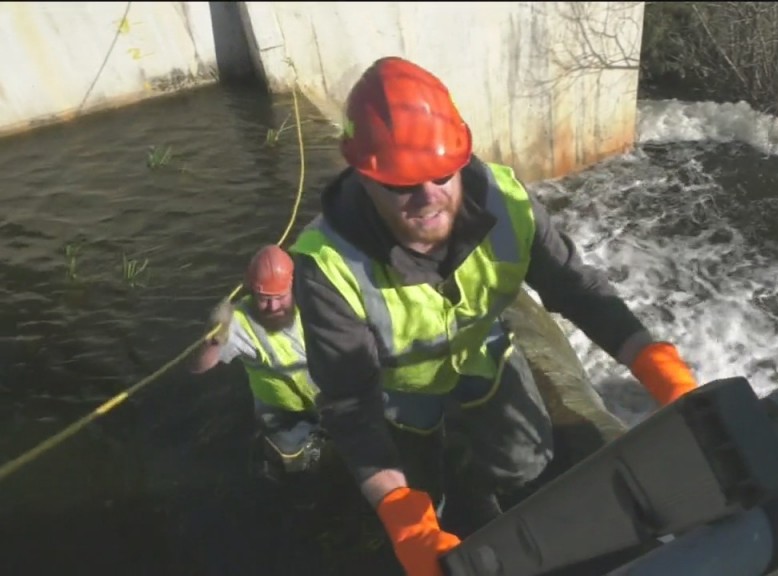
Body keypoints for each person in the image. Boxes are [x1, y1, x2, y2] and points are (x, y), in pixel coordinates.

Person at [288, 56, 700, 576]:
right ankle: (439, 497)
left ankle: (486, 475)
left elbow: (575, 287)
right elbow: (350, 404)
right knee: (422, 500)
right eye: (401, 184)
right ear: (364, 177)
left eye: (442, 174)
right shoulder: (326, 266)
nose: (429, 197)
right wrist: (401, 514)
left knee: (524, 461)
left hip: (481, 354)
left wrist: (654, 362)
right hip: (399, 391)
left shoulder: (507, 202)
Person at [191, 244, 325, 483]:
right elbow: (199, 368)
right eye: (264, 299)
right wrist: (212, 339)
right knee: (293, 468)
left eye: (280, 298)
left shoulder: (312, 302)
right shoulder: (238, 323)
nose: (273, 307)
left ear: (292, 287)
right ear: (252, 291)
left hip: (327, 399)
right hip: (281, 415)